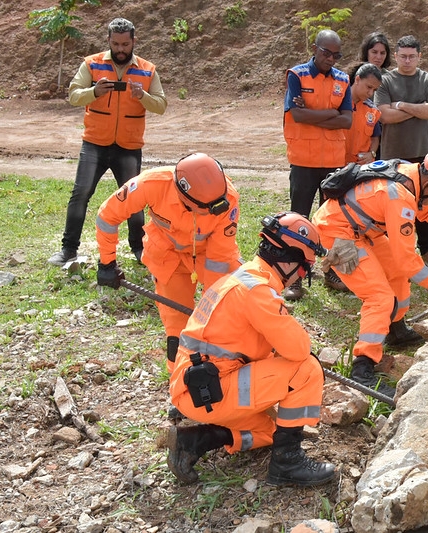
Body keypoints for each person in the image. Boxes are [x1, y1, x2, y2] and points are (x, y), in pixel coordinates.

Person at [167, 212, 335, 487]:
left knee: (271, 430)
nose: (301, 276)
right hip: (211, 390)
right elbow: (299, 349)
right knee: (307, 370)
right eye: (304, 269)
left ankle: (195, 441)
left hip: (197, 388)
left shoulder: (242, 277)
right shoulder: (258, 291)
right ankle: (287, 464)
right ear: (290, 260)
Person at [313, 150, 428, 397]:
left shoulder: (411, 175)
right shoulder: (400, 196)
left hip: (362, 228)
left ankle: (395, 328)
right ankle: (363, 366)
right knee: (379, 297)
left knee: (397, 275)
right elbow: (408, 260)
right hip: (337, 232)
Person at [94, 153, 242, 374]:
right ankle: (181, 388)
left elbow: (219, 258)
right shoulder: (151, 185)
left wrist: (211, 303)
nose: (216, 210)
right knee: (178, 329)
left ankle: (232, 369)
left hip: (209, 255)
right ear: (184, 197)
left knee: (235, 309)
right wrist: (107, 263)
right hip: (167, 257)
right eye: (207, 208)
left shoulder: (226, 199)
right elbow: (107, 216)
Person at [48, 18, 167, 266]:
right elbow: (73, 95)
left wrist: (141, 95)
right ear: (108, 41)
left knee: (134, 200)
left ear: (134, 41)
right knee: (80, 194)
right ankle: (68, 250)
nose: (121, 49)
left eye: (125, 44)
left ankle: (139, 250)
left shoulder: (147, 70)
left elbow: (161, 105)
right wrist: (94, 92)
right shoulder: (91, 64)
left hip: (129, 147)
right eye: (116, 44)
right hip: (95, 144)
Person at [283, 29, 353, 301]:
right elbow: (297, 115)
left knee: (333, 222)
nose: (331, 59)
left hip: (334, 162)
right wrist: (330, 114)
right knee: (298, 219)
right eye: (326, 53)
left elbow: (347, 120)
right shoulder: (297, 75)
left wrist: (314, 114)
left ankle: (332, 272)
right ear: (315, 48)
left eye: (336, 55)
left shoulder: (343, 79)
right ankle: (295, 277)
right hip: (303, 160)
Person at [375, 35, 428, 268]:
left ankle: (427, 250)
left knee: (423, 204)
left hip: (421, 152)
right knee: (389, 204)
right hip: (391, 156)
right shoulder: (385, 81)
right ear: (395, 56)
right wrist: (419, 108)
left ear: (419, 56)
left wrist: (402, 105)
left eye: (411, 56)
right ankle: (390, 251)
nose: (407, 60)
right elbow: (384, 115)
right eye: (402, 56)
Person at [325, 63, 384, 293]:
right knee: (330, 221)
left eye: (374, 90)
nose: (370, 93)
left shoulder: (372, 111)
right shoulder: (336, 102)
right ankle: (328, 268)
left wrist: (371, 153)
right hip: (332, 169)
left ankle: (342, 269)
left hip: (356, 174)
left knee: (351, 221)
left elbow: (376, 136)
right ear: (356, 79)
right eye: (368, 87)